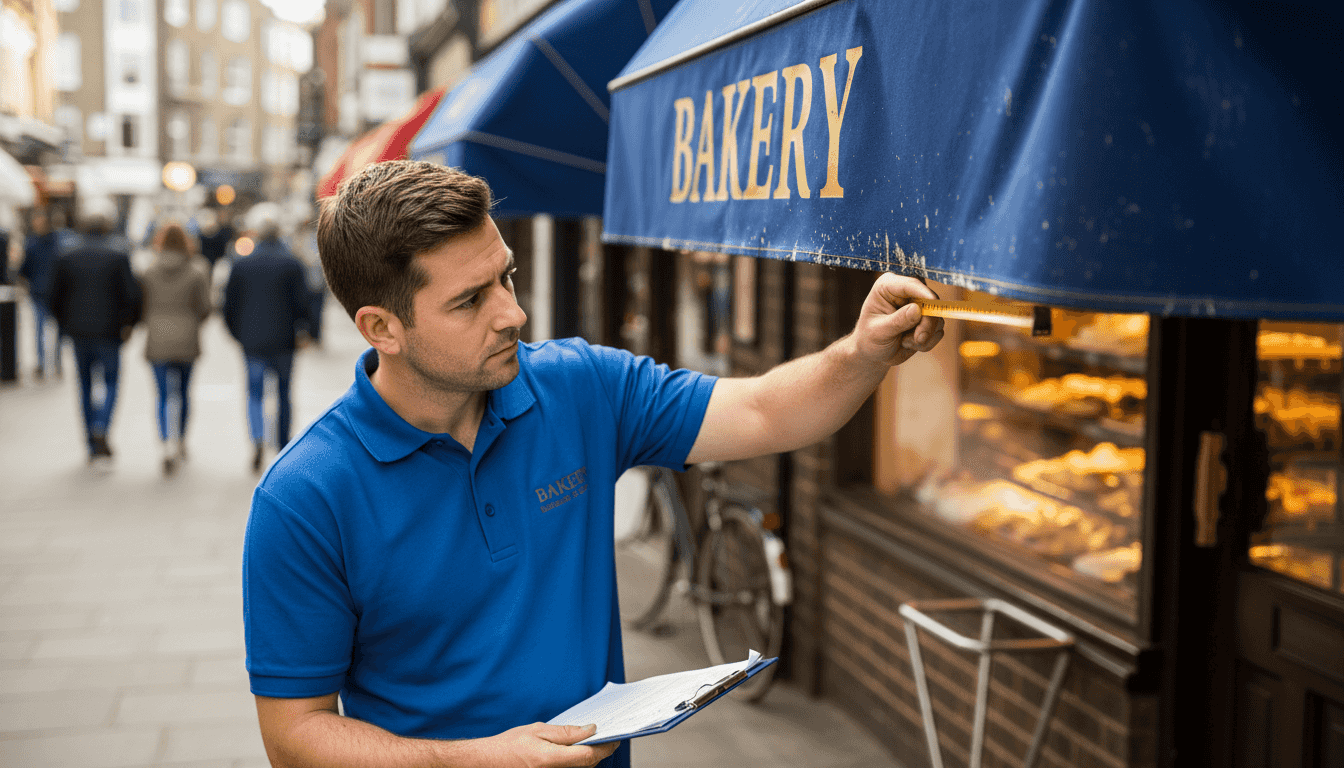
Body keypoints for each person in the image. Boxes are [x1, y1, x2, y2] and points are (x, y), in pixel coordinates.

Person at [243, 160, 944, 768]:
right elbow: (296, 737)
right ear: (381, 328)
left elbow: (764, 411)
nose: (512, 314)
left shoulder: (579, 387)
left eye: (507, 277)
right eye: (470, 301)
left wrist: (863, 353)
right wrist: (477, 760)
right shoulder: (306, 498)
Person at [49, 209, 142, 462]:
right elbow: (131, 295)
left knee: (85, 385)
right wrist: (129, 324)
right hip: (109, 331)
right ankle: (102, 426)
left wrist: (64, 323)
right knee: (111, 382)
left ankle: (90, 440)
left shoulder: (67, 255)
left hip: (78, 332)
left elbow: (54, 295)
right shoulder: (118, 255)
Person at [221, 210, 311, 472]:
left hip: (252, 342)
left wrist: (238, 334)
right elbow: (303, 303)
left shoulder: (242, 264)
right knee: (283, 393)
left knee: (255, 394)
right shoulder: (292, 263)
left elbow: (228, 305)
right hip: (284, 340)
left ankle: (257, 439)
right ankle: (282, 443)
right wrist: (304, 331)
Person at [141, 221, 212, 475]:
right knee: (183, 393)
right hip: (186, 338)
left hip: (157, 338)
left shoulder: (148, 271)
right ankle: (180, 440)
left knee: (162, 395)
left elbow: (141, 306)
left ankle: (164, 444)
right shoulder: (197, 270)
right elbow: (205, 307)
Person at [19, 210, 63, 379]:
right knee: (45, 329)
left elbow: (24, 268)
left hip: (43, 290)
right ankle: (49, 364)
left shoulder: (33, 243)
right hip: (45, 291)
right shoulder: (56, 242)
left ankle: (47, 363)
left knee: (44, 329)